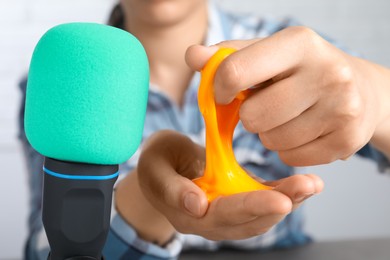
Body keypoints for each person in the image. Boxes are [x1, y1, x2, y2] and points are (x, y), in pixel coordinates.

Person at [19, 0, 390, 259]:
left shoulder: (291, 47)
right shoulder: (69, 75)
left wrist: (372, 92)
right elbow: (44, 248)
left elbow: (367, 106)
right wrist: (148, 198)